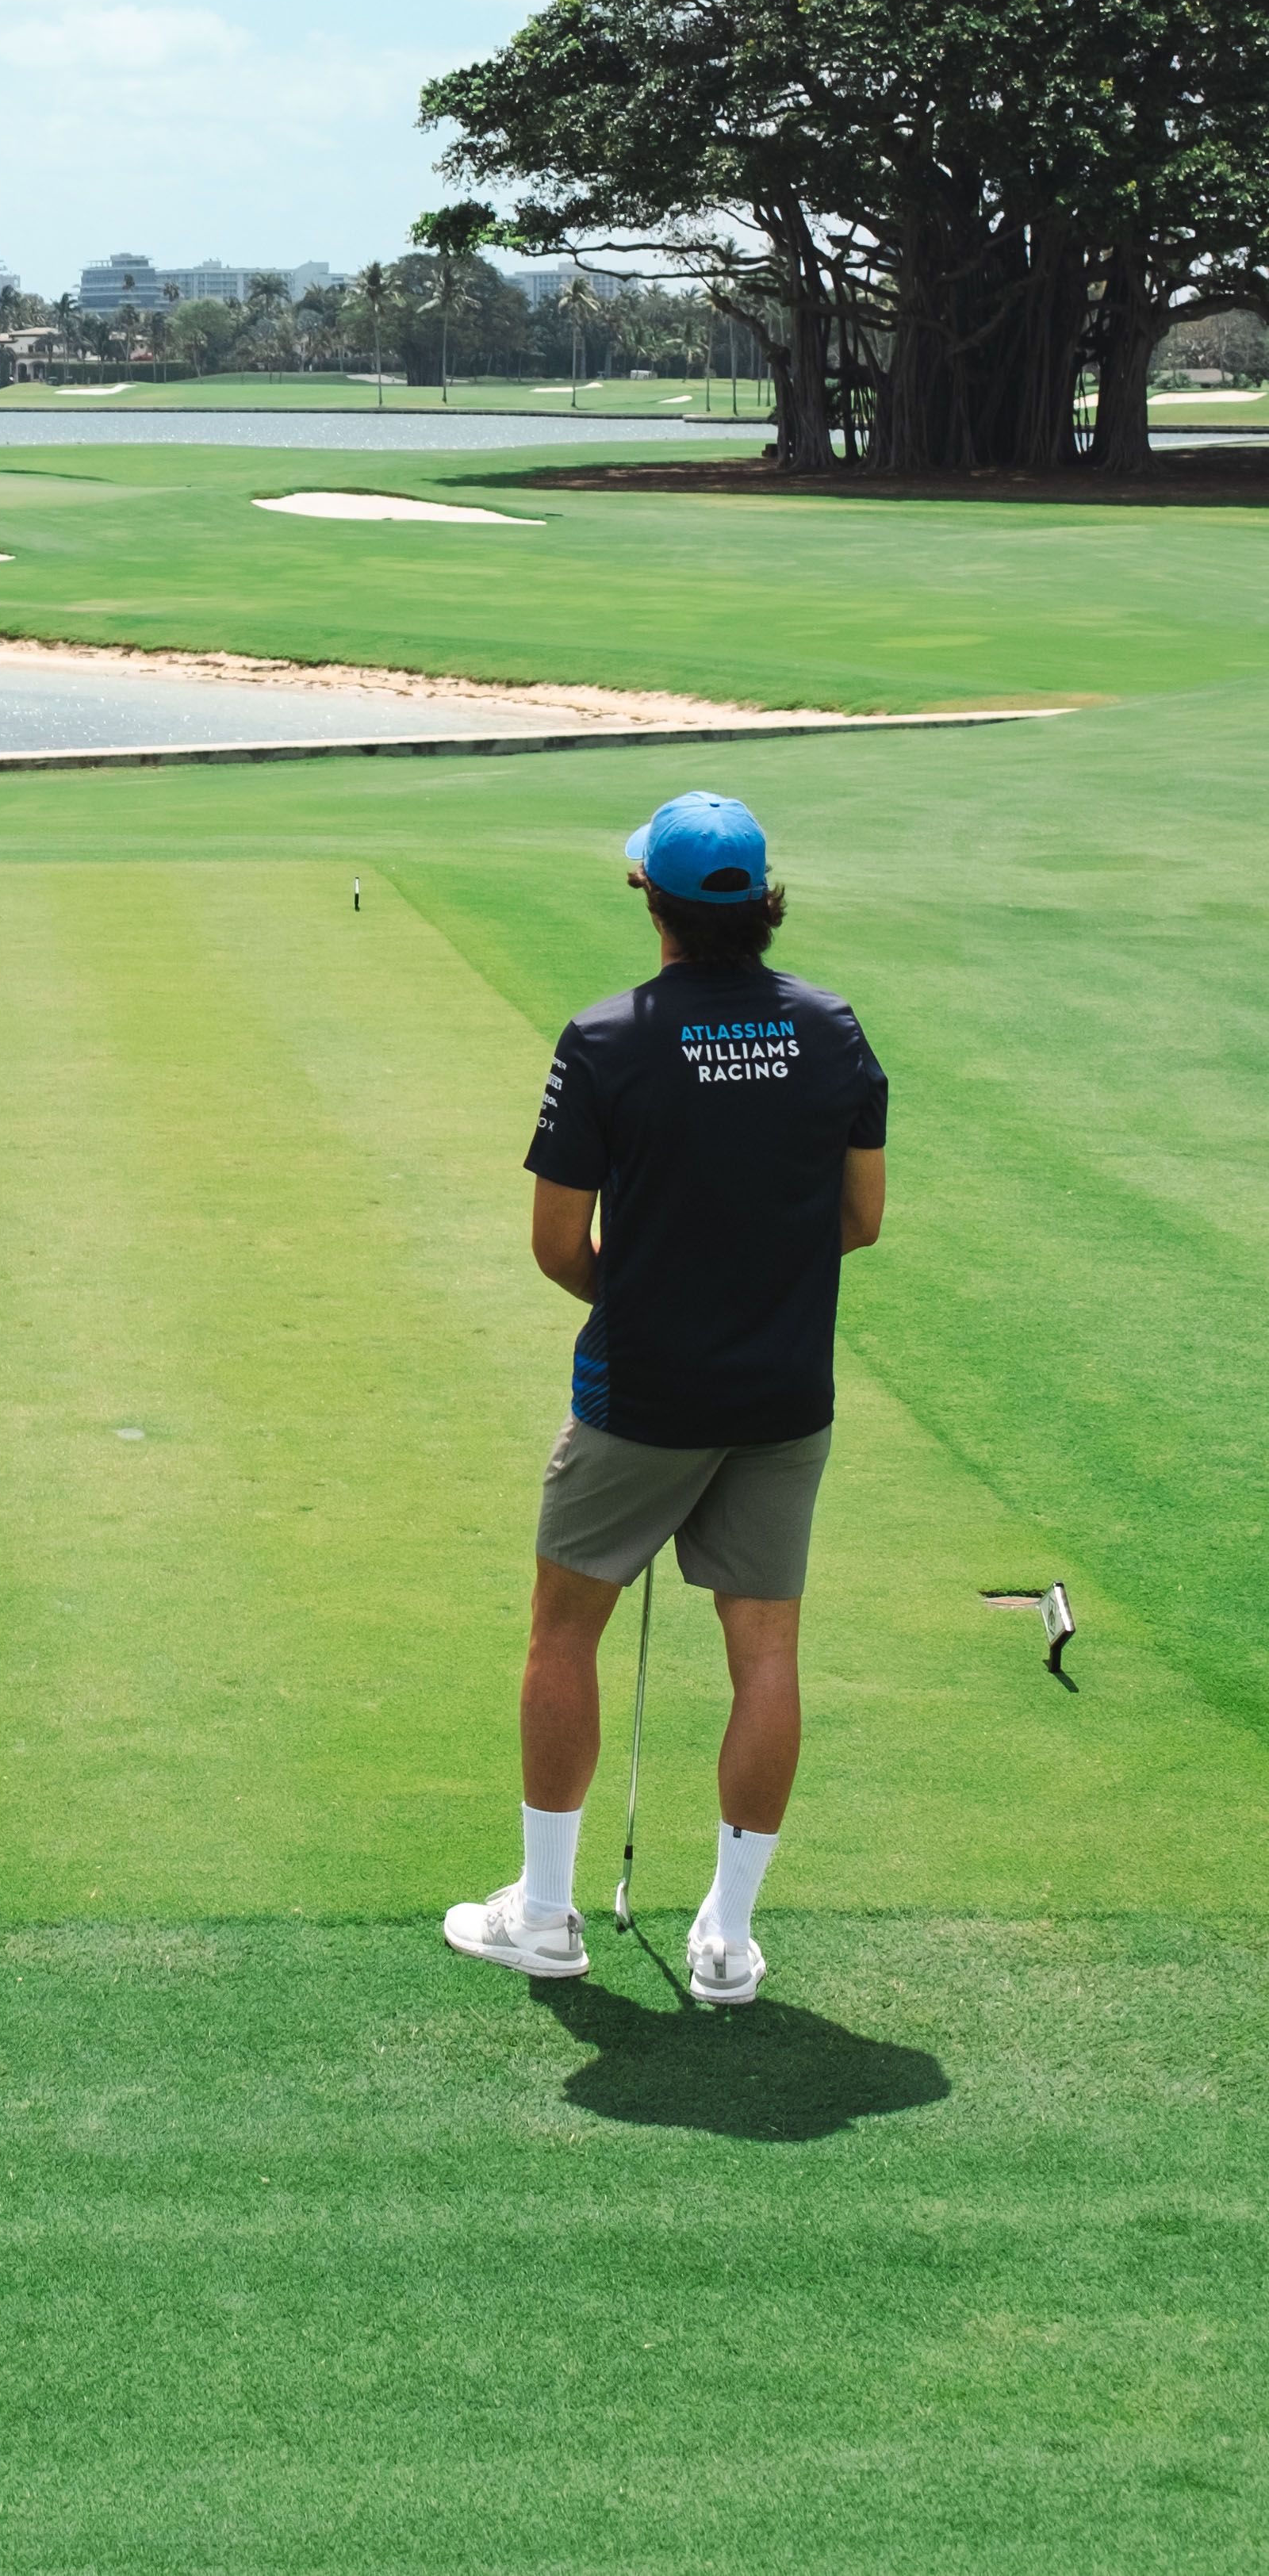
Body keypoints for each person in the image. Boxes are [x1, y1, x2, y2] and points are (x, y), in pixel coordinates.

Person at [443, 789, 888, 2005]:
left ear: (654, 899)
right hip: (786, 1395)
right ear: (760, 901)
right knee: (767, 1653)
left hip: (640, 1395)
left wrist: (644, 1295)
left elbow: (555, 1243)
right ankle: (729, 1945)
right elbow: (860, 1218)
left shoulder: (606, 1038)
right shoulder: (832, 1029)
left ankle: (544, 1917)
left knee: (563, 1629)